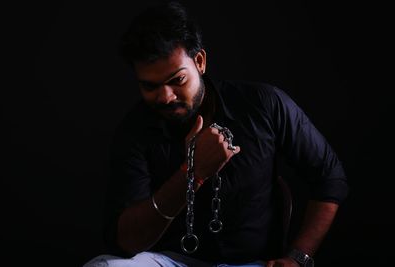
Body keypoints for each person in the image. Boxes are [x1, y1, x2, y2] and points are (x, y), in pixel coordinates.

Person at [83, 2, 348, 267]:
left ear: (200, 61)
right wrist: (192, 173)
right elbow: (126, 241)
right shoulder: (135, 131)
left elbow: (330, 177)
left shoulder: (263, 104)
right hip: (173, 262)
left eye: (177, 80)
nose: (165, 96)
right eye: (150, 86)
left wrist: (299, 257)